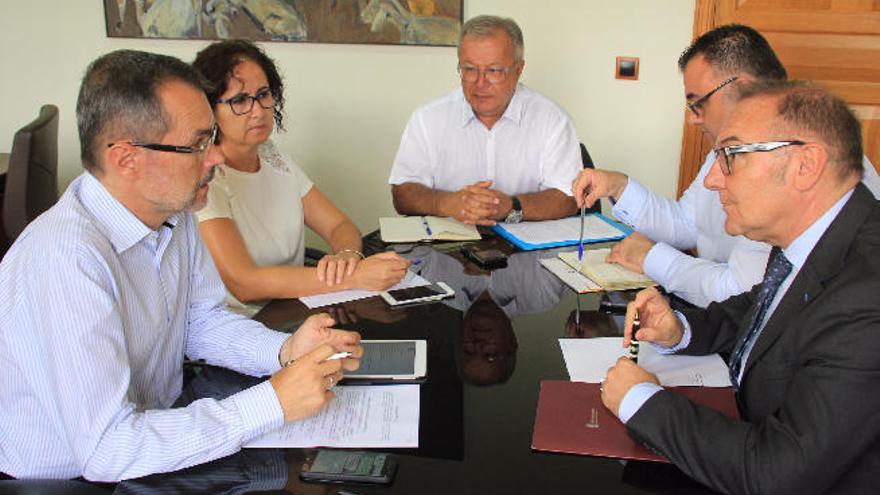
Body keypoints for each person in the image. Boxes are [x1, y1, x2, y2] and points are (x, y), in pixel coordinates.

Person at [0, 50, 363, 482]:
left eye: (209, 139)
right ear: (125, 158)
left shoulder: (174, 212)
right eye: (195, 145)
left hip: (158, 435)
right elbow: (107, 449)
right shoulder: (64, 260)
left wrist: (283, 351)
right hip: (68, 479)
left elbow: (199, 321)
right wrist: (273, 402)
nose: (214, 158)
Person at [602, 81, 880, 494]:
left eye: (731, 155)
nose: (713, 180)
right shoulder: (816, 236)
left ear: (806, 165)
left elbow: (779, 474)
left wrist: (641, 400)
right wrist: (683, 330)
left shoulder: (868, 296)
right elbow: (766, 310)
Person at [571, 24, 880, 307]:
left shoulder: (791, 162)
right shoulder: (731, 147)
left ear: (743, 89)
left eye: (698, 103)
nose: (693, 118)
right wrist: (618, 185)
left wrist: (651, 257)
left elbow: (741, 292)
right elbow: (689, 224)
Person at [193, 40, 409, 316]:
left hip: (297, 310)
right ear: (210, 109)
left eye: (263, 95)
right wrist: (352, 277)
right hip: (243, 329)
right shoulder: (205, 180)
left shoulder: (273, 156)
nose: (258, 110)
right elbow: (245, 284)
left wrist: (346, 257)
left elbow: (339, 225)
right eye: (239, 101)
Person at [388, 15, 581, 226]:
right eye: (470, 69)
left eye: (494, 71)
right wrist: (448, 203)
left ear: (518, 70)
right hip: (446, 246)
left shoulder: (552, 120)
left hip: (526, 249)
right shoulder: (427, 118)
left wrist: (510, 206)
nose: (480, 83)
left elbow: (568, 198)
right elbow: (402, 194)